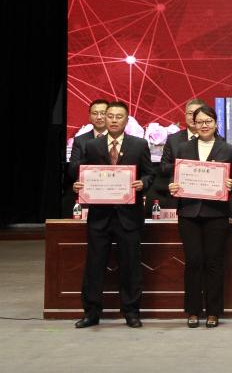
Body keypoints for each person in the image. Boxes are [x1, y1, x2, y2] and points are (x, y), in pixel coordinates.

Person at [72, 101, 155, 328]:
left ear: (127, 120)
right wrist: (79, 185)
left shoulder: (139, 144)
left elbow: (150, 174)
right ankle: (91, 312)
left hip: (129, 216)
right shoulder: (92, 145)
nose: (114, 120)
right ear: (105, 119)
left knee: (130, 266)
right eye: (110, 116)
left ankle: (131, 312)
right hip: (100, 216)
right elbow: (84, 174)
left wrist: (143, 183)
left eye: (119, 116)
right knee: (94, 265)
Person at [165, 104, 232, 328]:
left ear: (216, 124)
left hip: (216, 213)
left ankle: (213, 312)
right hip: (189, 212)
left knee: (214, 262)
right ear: (193, 124)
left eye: (208, 121)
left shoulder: (226, 149)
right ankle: (193, 310)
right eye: (200, 122)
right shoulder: (183, 148)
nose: (204, 125)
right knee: (193, 261)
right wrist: (173, 186)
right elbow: (175, 177)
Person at [153, 98, 207, 210]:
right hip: (178, 198)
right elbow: (163, 167)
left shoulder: (216, 140)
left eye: (197, 113)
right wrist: (184, 166)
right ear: (185, 115)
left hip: (206, 198)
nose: (193, 117)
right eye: (190, 113)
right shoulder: (173, 139)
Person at [67, 98, 109, 184]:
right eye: (95, 113)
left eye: (103, 113)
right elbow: (72, 172)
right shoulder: (80, 140)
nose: (99, 117)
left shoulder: (121, 138)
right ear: (89, 117)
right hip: (90, 185)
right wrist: (90, 156)